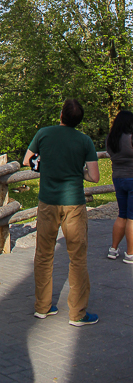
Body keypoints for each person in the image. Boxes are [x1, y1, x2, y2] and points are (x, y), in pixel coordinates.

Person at [23, 98, 100, 326]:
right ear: (79, 120)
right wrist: (79, 172)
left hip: (47, 201)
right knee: (77, 257)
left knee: (44, 254)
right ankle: (77, 313)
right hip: (74, 203)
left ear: (61, 115)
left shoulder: (44, 134)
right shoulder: (85, 141)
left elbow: (28, 160)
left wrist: (48, 167)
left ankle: (42, 306)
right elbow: (94, 176)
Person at [105, 110, 133, 262]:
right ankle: (130, 253)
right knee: (132, 217)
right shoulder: (131, 138)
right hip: (132, 177)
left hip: (118, 178)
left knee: (122, 214)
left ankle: (113, 249)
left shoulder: (111, 139)